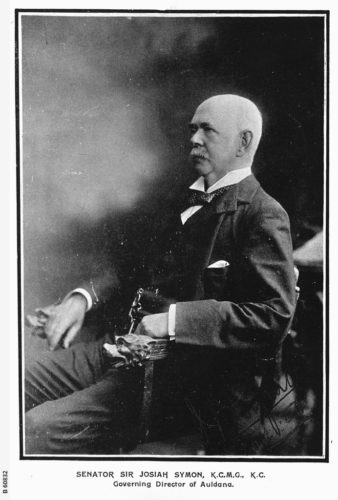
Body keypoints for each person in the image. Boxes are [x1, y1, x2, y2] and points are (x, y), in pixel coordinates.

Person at [25, 94, 296, 455]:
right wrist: (79, 299)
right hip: (118, 349)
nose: (194, 139)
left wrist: (172, 321)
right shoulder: (179, 199)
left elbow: (273, 315)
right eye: (192, 129)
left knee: (34, 430)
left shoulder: (262, 214)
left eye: (207, 130)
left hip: (179, 382)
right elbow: (129, 269)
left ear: (243, 142)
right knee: (16, 379)